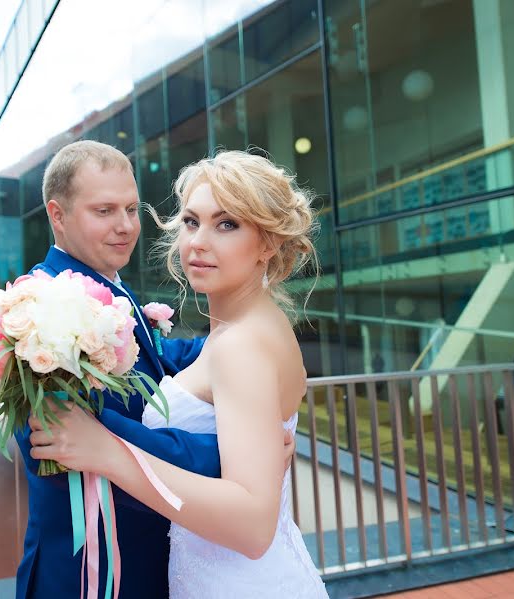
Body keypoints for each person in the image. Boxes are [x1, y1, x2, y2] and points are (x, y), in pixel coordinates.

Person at [30, 149, 329, 598]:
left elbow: (252, 526)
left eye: (226, 224)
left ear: (268, 242)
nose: (197, 242)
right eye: (191, 222)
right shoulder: (251, 329)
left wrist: (108, 450)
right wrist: (232, 454)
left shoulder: (239, 345)